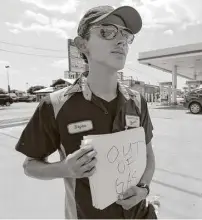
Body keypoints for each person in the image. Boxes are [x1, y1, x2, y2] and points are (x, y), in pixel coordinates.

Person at [15, 5, 157, 219]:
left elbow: (148, 155)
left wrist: (144, 188)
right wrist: (65, 169)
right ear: (82, 45)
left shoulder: (137, 101)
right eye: (107, 31)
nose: (121, 41)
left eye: (126, 35)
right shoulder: (55, 105)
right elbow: (30, 166)